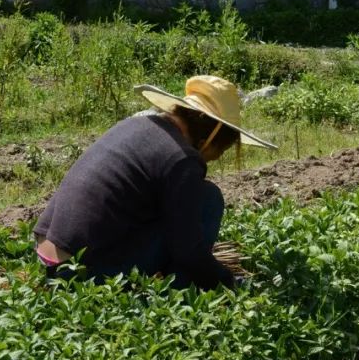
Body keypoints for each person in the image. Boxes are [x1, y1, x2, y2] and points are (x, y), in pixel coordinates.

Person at [33, 75, 276, 289]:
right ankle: (180, 291)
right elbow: (188, 251)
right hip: (83, 274)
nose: (214, 158)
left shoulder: (136, 125)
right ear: (211, 135)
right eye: (220, 150)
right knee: (208, 199)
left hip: (49, 259)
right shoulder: (182, 158)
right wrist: (227, 282)